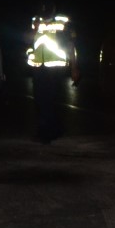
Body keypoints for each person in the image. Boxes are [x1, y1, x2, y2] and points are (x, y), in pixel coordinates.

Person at [26, 9, 76, 142]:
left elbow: (71, 45)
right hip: (38, 68)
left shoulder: (61, 22)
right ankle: (48, 130)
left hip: (55, 68)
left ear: (53, 9)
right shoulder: (35, 21)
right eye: (42, 7)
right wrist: (34, 29)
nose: (45, 10)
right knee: (40, 99)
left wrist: (74, 67)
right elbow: (27, 39)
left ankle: (50, 131)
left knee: (50, 99)